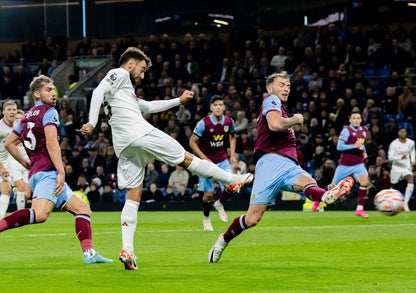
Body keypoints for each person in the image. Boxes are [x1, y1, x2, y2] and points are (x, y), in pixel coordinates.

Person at [80, 47, 253, 270]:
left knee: (133, 195)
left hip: (124, 146)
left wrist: (177, 100)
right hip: (140, 134)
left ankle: (128, 251)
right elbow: (97, 90)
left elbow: (149, 106)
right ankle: (231, 179)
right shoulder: (120, 74)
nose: (143, 75)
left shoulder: (124, 93)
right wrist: (92, 122)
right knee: (186, 158)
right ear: (131, 64)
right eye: (142, 70)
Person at [207, 72, 353, 263]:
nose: (286, 88)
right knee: (251, 219)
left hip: (288, 165)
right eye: (282, 84)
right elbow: (275, 125)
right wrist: (296, 119)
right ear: (270, 89)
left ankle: (326, 195)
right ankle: (222, 241)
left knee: (309, 182)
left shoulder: (280, 108)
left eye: (288, 86)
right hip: (269, 163)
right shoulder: (271, 100)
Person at [3, 75, 112, 264]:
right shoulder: (49, 112)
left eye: (54, 89)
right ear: (37, 94)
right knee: (39, 215)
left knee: (82, 209)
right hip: (48, 173)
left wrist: (27, 163)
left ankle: (89, 253)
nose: (53, 93)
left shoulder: (26, 116)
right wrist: (61, 172)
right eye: (48, 90)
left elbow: (9, 143)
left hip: (38, 172)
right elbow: (52, 142)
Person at [189, 95, 238, 231]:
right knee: (208, 194)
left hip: (222, 160)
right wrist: (203, 158)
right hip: (206, 163)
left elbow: (233, 136)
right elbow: (192, 142)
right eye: (215, 105)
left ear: (224, 107)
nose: (218, 107)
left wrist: (232, 154)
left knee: (231, 186)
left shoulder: (229, 122)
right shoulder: (203, 123)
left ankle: (220, 203)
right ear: (211, 108)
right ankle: (206, 217)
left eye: (220, 105)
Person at [330, 110, 371, 218]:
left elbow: (361, 144)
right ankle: (317, 200)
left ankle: (359, 209)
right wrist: (354, 146)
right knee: (333, 187)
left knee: (364, 182)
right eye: (354, 118)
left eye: (358, 118)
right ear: (350, 120)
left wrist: (364, 152)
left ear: (361, 120)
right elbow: (339, 146)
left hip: (359, 164)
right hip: (345, 165)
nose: (356, 120)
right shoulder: (346, 131)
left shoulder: (363, 130)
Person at [9, 108, 32, 209]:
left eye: (20, 118)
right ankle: (20, 215)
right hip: (14, 163)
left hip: (27, 163)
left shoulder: (28, 130)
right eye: (16, 118)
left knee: (27, 194)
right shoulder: (9, 132)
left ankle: (16, 193)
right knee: (21, 189)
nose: (18, 120)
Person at [388, 127, 415, 212]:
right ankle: (390, 204)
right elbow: (390, 157)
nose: (403, 133)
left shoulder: (411, 142)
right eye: (401, 132)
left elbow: (413, 151)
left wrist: (413, 160)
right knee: (394, 187)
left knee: (411, 181)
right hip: (396, 168)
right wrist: (400, 157)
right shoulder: (394, 144)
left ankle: (405, 203)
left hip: (406, 167)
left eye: (405, 131)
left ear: (406, 133)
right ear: (398, 133)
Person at [0, 100, 18, 218]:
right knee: (6, 189)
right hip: (1, 163)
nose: (12, 112)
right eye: (9, 110)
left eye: (14, 110)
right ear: (3, 112)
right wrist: (2, 168)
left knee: (7, 189)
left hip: (8, 162)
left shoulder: (17, 125)